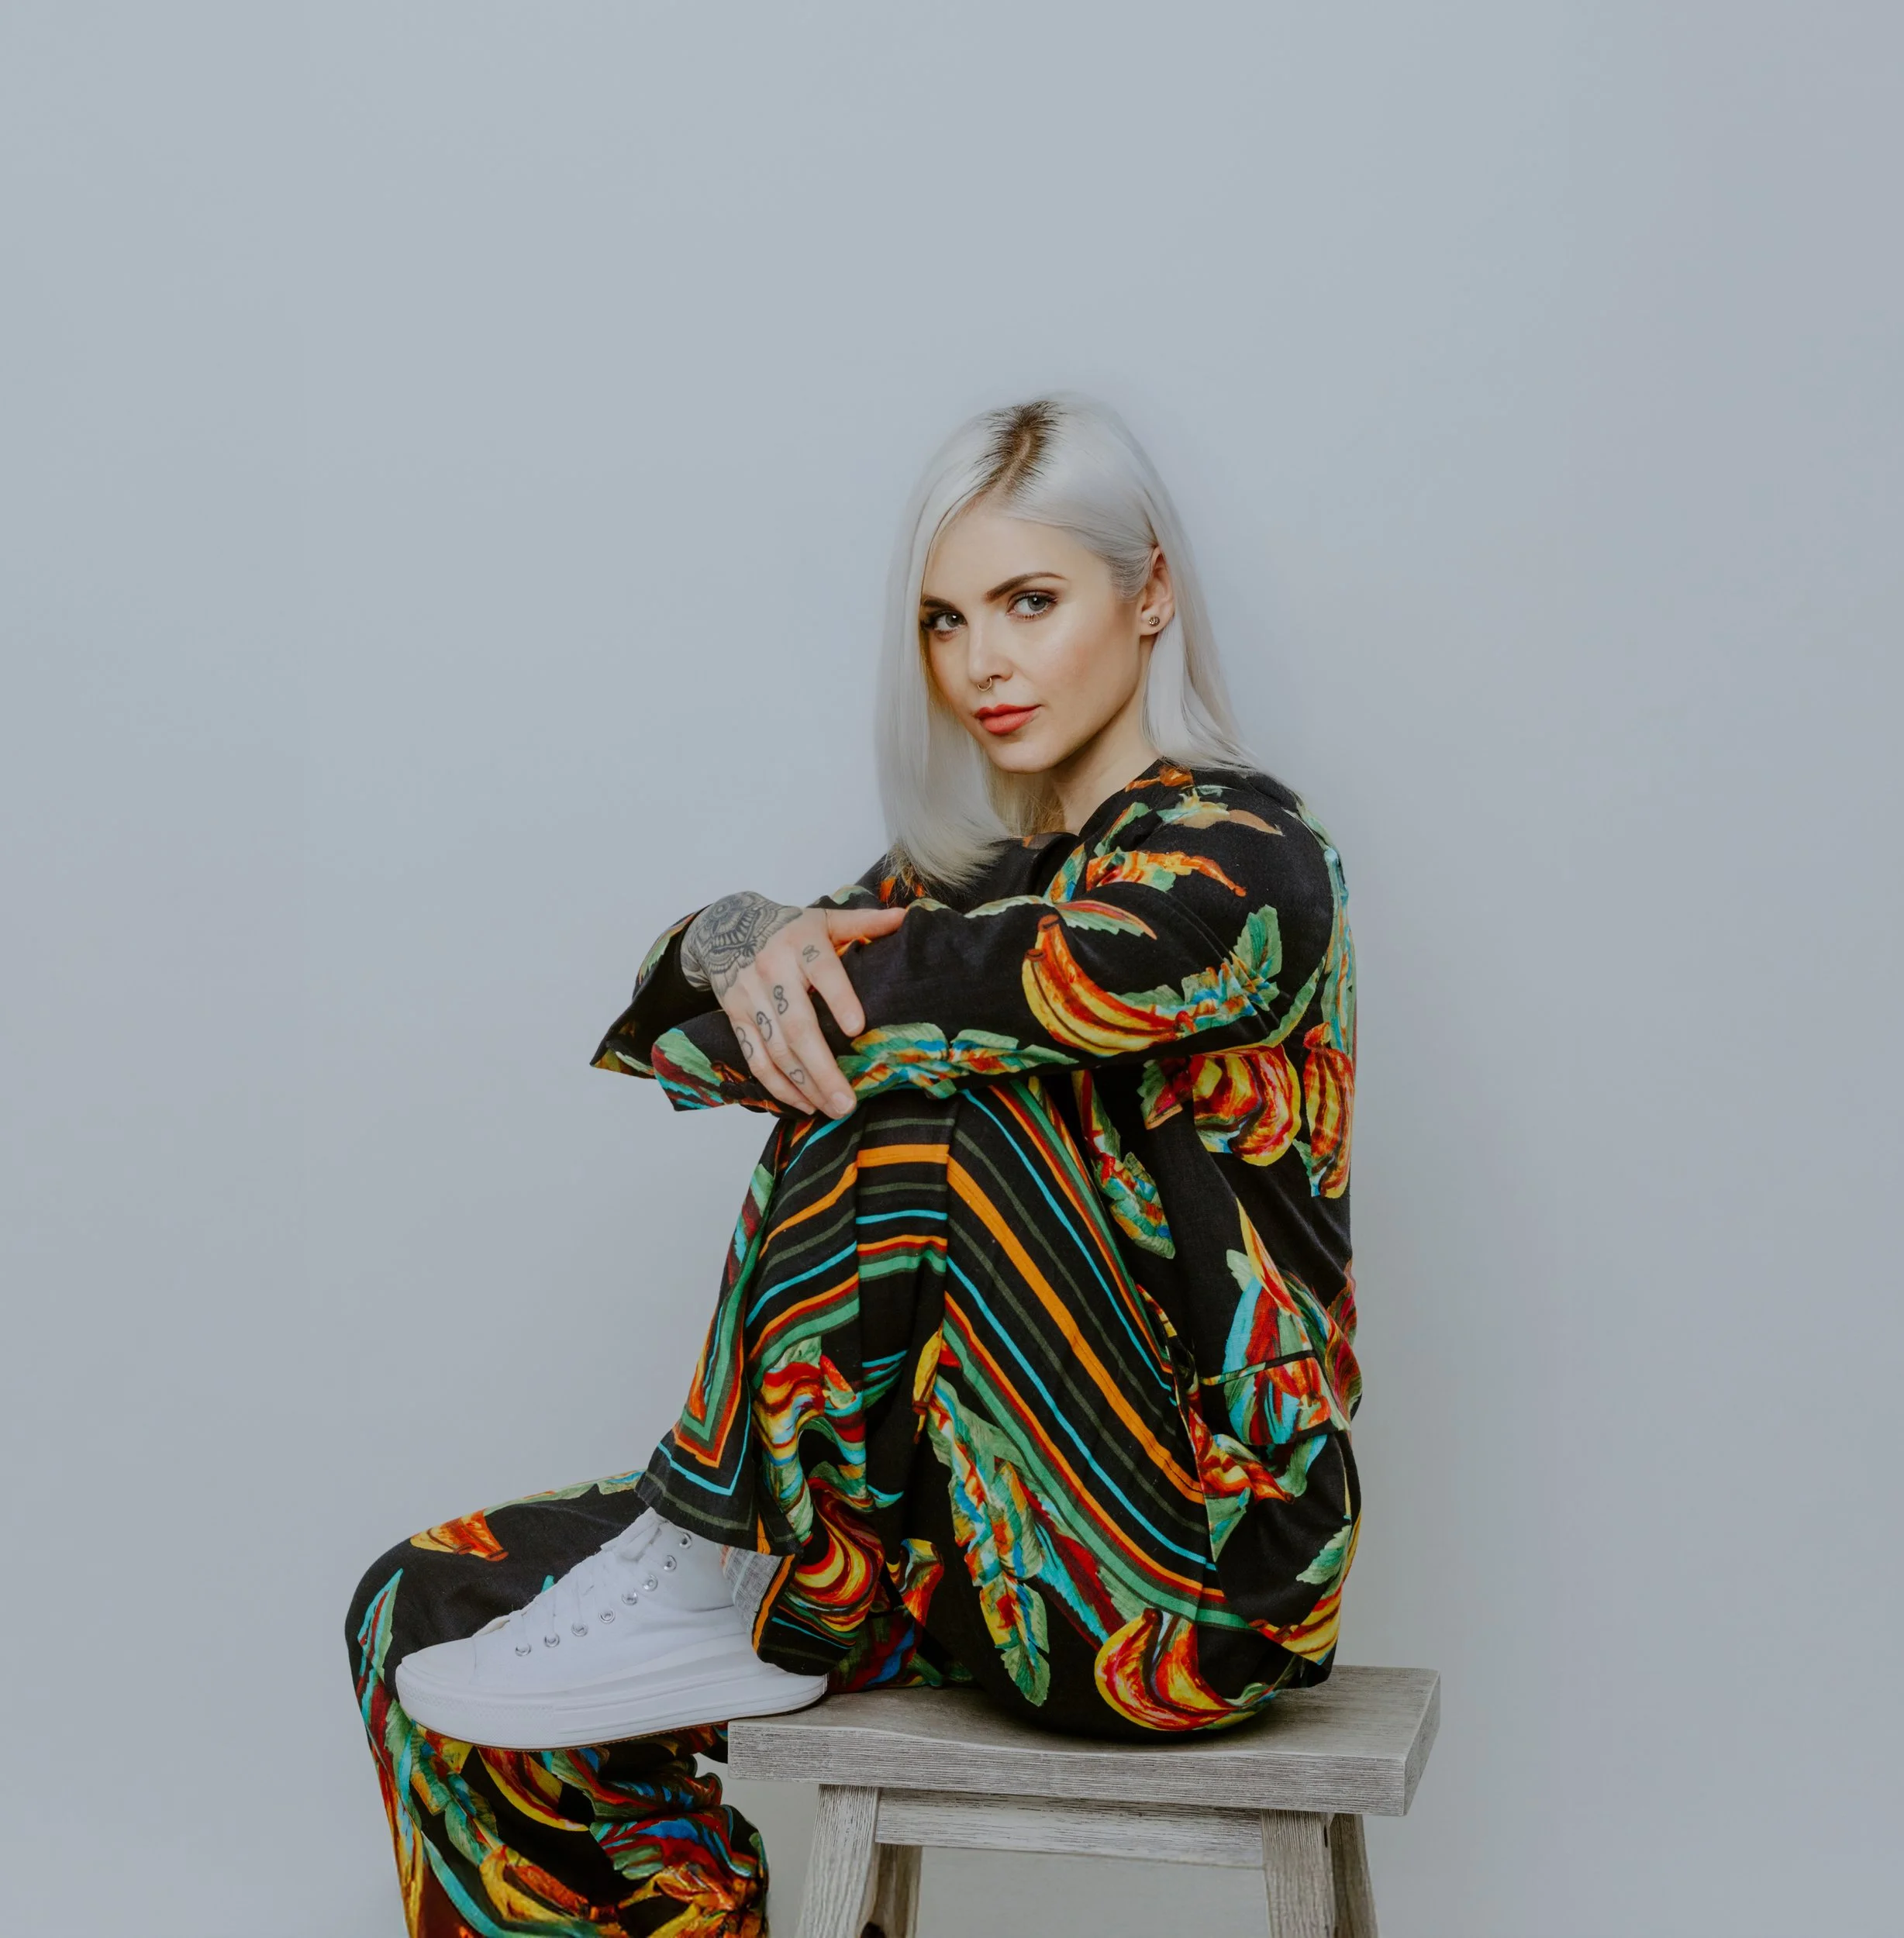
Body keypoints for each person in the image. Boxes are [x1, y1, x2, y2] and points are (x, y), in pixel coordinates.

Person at [344, 394, 1361, 1937]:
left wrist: (788, 960)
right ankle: (719, 1598)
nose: (981, 665)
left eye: (1030, 602)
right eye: (945, 620)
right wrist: (730, 936)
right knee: (423, 1602)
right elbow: (700, 1034)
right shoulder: (948, 884)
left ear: (1147, 594)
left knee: (907, 1077)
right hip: (931, 1539)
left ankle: (711, 1548)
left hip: (1183, 1563)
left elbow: (956, 998)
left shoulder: (1247, 850)